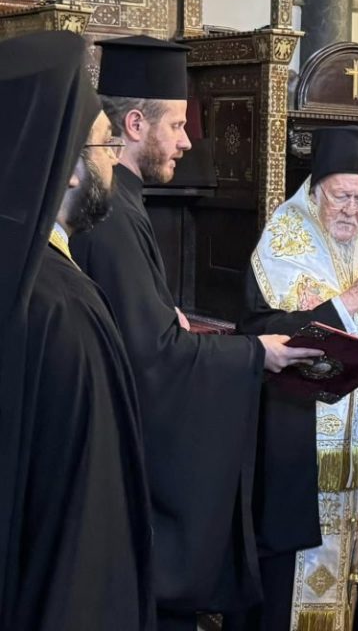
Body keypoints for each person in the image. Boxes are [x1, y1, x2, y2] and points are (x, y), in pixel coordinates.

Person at [69, 35, 320, 631]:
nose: (187, 141)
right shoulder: (110, 218)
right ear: (134, 124)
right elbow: (152, 359)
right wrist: (254, 355)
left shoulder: (125, 204)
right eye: (178, 125)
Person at [223, 126, 358, 631]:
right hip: (302, 460)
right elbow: (262, 335)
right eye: (342, 197)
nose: (353, 211)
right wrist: (353, 299)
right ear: (316, 192)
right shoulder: (284, 242)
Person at [0, 31, 154, 630]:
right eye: (102, 142)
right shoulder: (65, 308)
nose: (114, 157)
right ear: (64, 167)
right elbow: (93, 527)